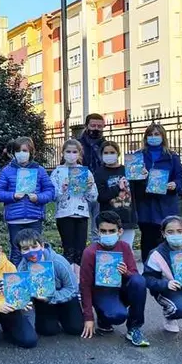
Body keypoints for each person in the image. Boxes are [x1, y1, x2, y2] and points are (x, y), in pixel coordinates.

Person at [80, 211, 150, 347]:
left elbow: (135, 275)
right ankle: (103, 316)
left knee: (139, 281)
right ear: (97, 232)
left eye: (111, 231)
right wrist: (88, 317)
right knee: (116, 316)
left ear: (120, 231)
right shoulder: (90, 252)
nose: (107, 235)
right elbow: (85, 285)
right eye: (103, 231)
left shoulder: (124, 247)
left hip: (120, 290)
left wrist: (126, 273)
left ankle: (134, 328)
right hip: (102, 292)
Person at [0, 137, 55, 265]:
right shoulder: (7, 171)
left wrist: (38, 198)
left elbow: (50, 191)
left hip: (34, 217)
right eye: (18, 151)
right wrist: (13, 196)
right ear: (13, 153)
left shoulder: (40, 170)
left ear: (31, 152)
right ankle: (16, 279)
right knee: (17, 251)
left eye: (25, 150)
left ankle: (36, 276)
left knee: (35, 251)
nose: (22, 153)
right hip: (15, 219)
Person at [130, 123, 182, 263]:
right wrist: (140, 176)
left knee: (167, 242)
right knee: (147, 242)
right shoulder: (137, 156)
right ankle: (149, 274)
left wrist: (175, 184)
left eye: (156, 134)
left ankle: (168, 275)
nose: (153, 137)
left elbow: (180, 178)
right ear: (145, 137)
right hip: (145, 206)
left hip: (166, 205)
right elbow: (132, 181)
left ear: (163, 137)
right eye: (150, 135)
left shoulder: (172, 156)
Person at [15, 228, 83, 337]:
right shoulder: (22, 268)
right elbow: (23, 293)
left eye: (34, 246)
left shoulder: (58, 262)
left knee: (76, 329)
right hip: (42, 301)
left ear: (42, 245)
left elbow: (72, 289)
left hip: (65, 296)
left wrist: (52, 297)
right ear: (20, 251)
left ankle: (65, 315)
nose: (31, 251)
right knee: (48, 331)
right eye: (25, 248)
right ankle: (51, 318)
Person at [50, 139, 98, 273]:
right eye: (68, 151)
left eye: (74, 152)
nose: (71, 154)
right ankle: (70, 278)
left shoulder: (85, 172)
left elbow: (93, 197)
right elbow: (54, 197)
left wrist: (89, 187)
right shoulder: (57, 173)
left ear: (79, 153)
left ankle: (79, 280)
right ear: (63, 153)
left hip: (82, 215)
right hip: (64, 215)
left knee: (80, 250)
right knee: (68, 249)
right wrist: (63, 189)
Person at [94, 141, 138, 248]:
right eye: (106, 153)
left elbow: (137, 190)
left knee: (126, 250)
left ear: (118, 153)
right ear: (102, 155)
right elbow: (101, 196)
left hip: (128, 218)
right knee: (109, 250)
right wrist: (118, 188)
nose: (109, 155)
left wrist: (143, 177)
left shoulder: (127, 170)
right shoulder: (99, 172)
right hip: (108, 220)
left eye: (112, 152)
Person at [78, 113, 106, 242]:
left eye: (99, 126)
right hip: (80, 189)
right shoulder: (77, 144)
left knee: (98, 226)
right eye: (93, 125)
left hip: (101, 189)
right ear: (86, 126)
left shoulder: (106, 145)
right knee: (80, 225)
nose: (96, 129)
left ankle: (97, 252)